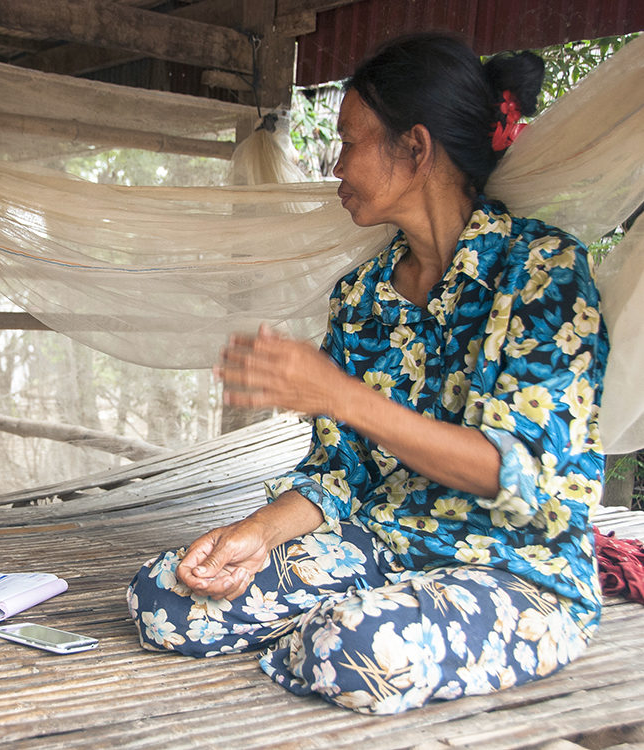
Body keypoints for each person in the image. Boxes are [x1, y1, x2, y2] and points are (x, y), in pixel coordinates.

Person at [127, 34, 608, 715]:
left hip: (518, 569)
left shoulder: (542, 274)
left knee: (356, 645)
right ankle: (336, 630)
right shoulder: (363, 296)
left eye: (349, 141)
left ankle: (337, 633)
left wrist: (340, 394)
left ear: (413, 149)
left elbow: (515, 472)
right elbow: (339, 471)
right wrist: (253, 535)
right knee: (167, 600)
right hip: (382, 547)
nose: (334, 165)